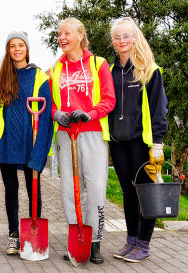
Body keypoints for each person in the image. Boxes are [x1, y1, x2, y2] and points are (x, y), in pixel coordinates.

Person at [48, 17, 116, 264]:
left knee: (95, 188)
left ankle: (95, 241)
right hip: (66, 134)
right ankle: (76, 239)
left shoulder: (98, 63)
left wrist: (90, 113)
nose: (61, 39)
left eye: (66, 34)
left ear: (79, 35)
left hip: (93, 133)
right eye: (59, 35)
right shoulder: (56, 68)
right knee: (70, 189)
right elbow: (50, 101)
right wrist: (56, 113)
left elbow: (109, 99)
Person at [109, 17, 167, 263]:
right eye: (117, 37)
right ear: (113, 42)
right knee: (127, 192)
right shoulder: (110, 72)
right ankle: (131, 240)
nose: (122, 41)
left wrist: (157, 144)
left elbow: (158, 109)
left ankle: (144, 243)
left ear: (135, 38)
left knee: (146, 192)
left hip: (142, 143)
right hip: (118, 142)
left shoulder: (149, 70)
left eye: (126, 36)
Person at [0, 31, 53, 255]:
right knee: (10, 190)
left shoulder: (40, 76)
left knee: (33, 189)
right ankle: (14, 235)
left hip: (30, 142)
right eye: (12, 46)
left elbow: (46, 118)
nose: (17, 49)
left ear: (27, 48)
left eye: (21, 45)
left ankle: (33, 232)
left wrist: (41, 151)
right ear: (7, 50)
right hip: (6, 142)